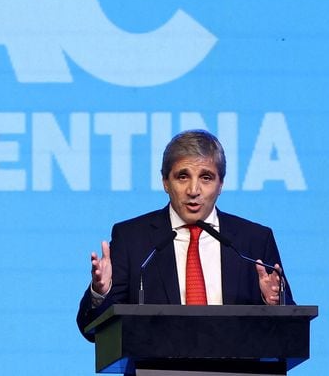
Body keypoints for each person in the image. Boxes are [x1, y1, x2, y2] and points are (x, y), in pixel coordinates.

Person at [77, 129, 294, 340]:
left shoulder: (253, 241)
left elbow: (290, 330)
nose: (193, 190)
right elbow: (93, 330)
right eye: (182, 177)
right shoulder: (132, 239)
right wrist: (100, 293)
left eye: (206, 178)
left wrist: (274, 302)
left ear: (221, 185)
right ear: (165, 182)